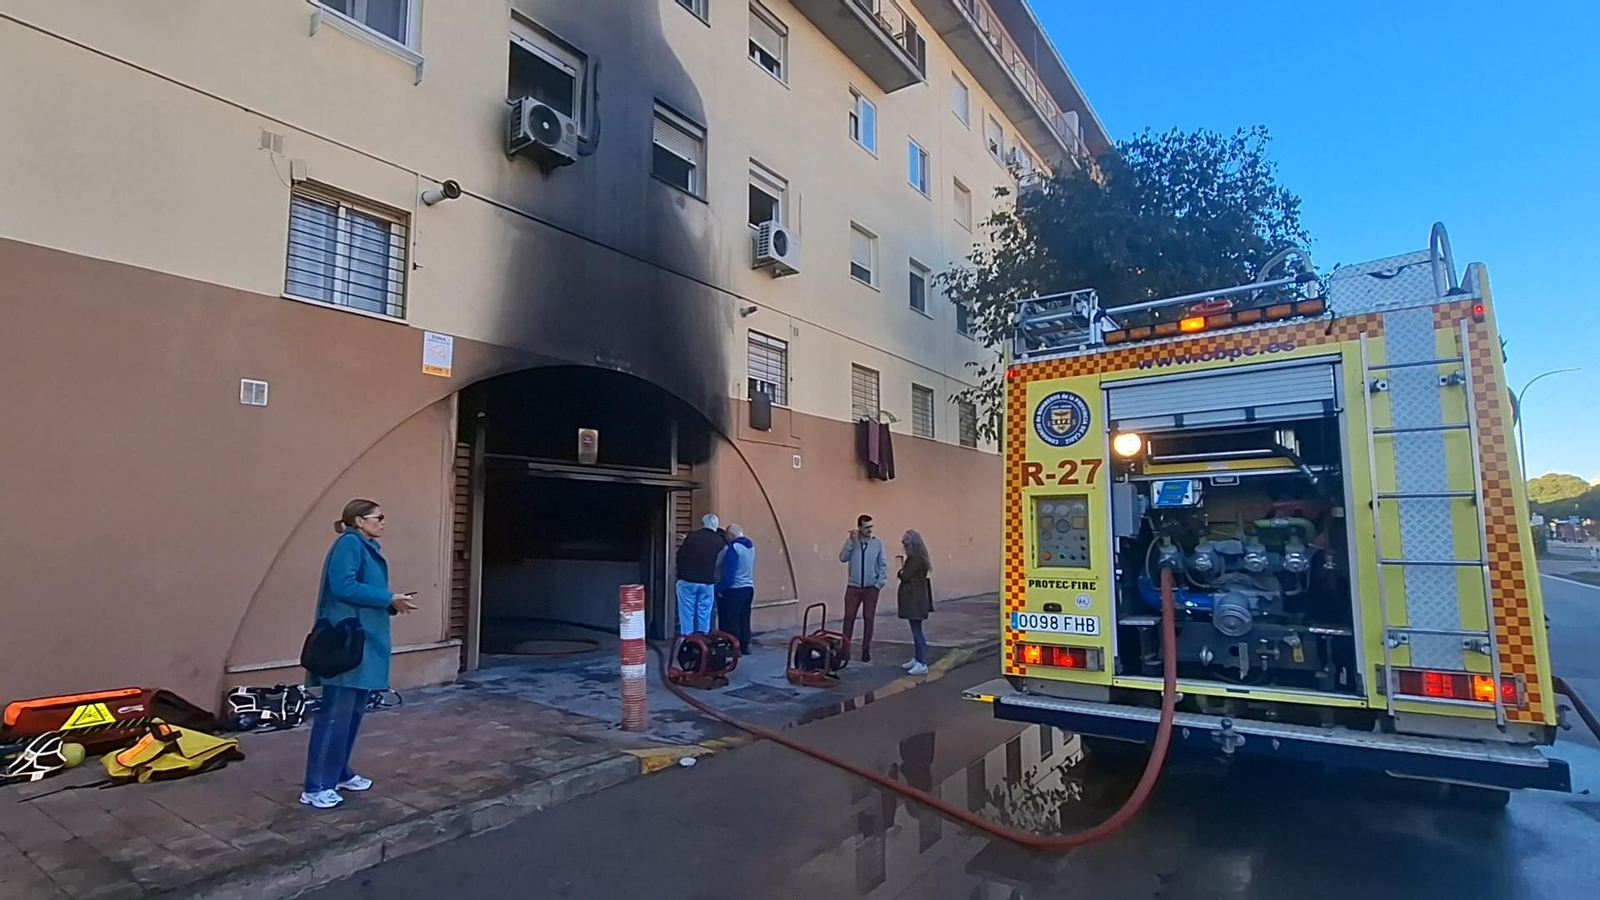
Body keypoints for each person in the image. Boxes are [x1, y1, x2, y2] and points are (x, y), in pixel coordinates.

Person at [301, 499, 417, 810]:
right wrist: (388, 597)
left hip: (362, 639)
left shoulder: (364, 546)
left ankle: (338, 772)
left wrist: (390, 602)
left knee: (352, 711)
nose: (383, 522)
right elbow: (343, 586)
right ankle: (315, 786)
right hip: (346, 642)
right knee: (336, 712)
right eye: (378, 517)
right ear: (358, 520)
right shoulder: (349, 544)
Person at [838, 514, 888, 663]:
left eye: (871, 527)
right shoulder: (853, 542)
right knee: (848, 618)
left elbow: (882, 564)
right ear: (859, 527)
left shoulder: (877, 543)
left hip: (871, 587)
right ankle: (845, 650)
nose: (869, 530)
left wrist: (879, 583)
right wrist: (850, 542)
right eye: (866, 527)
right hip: (853, 587)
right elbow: (842, 558)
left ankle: (866, 648)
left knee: (869, 618)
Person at [676, 514, 725, 635]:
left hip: (688, 580)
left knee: (687, 613)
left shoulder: (692, 536)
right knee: (704, 614)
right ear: (716, 525)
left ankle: (686, 642)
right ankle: (703, 641)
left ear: (703, 523)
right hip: (707, 582)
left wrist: (680, 572)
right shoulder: (719, 541)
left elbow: (680, 556)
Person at [896, 529, 934, 676]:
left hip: (915, 600)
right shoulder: (919, 558)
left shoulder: (915, 559)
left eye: (905, 543)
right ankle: (917, 658)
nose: (904, 546)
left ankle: (922, 662)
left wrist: (901, 572)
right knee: (915, 629)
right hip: (916, 599)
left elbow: (905, 576)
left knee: (917, 631)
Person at [715, 524, 757, 653]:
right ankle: (744, 645)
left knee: (730, 620)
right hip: (748, 587)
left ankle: (732, 647)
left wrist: (719, 589)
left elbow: (729, 574)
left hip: (734, 589)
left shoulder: (734, 548)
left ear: (731, 535)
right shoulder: (751, 546)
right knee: (744, 618)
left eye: (727, 535)